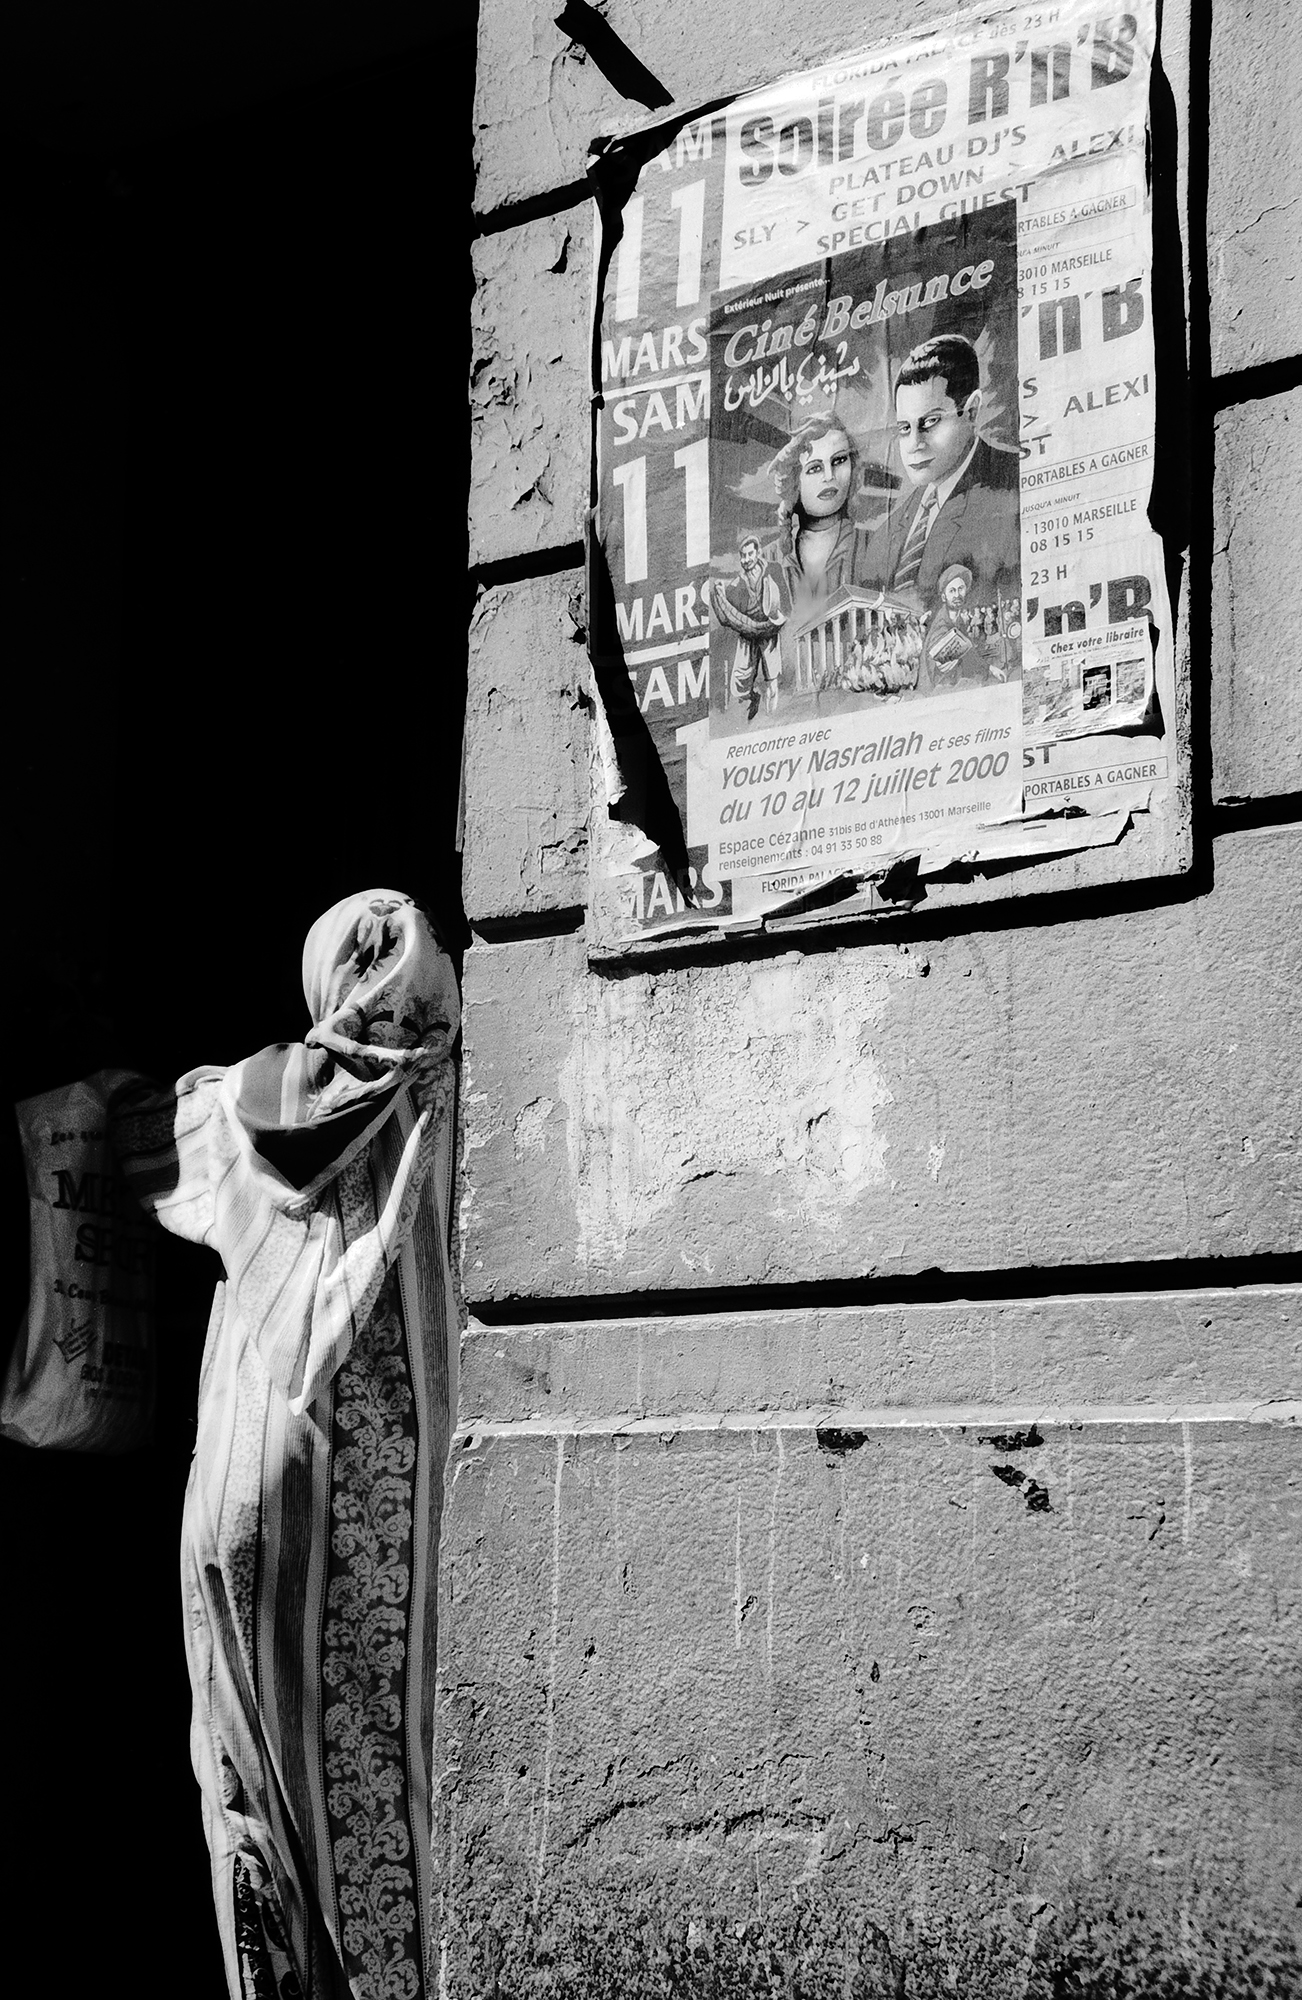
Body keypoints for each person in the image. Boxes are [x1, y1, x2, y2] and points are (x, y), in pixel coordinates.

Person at [112, 891, 459, 2000]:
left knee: (249, 1790)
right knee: (374, 1793)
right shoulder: (476, 1093)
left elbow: (120, 1142)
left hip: (233, 1501)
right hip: (380, 1519)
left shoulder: (239, 1107)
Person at [855, 333, 1018, 614]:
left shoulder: (1014, 486)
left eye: (930, 422)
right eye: (904, 428)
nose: (914, 445)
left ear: (971, 412)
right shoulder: (887, 534)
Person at [709, 533, 785, 721]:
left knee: (772, 680)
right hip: (747, 635)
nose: (746, 559)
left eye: (750, 554)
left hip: (769, 632)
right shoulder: (737, 583)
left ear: (758, 553)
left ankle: (771, 720)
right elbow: (727, 613)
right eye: (743, 556)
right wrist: (719, 591)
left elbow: (785, 599)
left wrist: (780, 619)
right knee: (739, 683)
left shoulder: (773, 570)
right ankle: (752, 699)